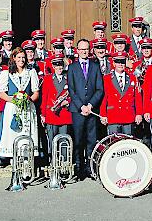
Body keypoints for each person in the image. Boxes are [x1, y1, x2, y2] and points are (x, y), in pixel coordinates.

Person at [67, 39, 104, 180]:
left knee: (91, 140)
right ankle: (78, 168)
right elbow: (71, 90)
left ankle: (90, 168)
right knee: (78, 141)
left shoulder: (95, 66)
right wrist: (81, 106)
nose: (84, 51)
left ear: (90, 50)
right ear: (77, 50)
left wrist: (90, 105)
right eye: (81, 49)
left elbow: (100, 89)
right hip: (78, 110)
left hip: (91, 110)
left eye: (86, 49)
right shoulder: (72, 67)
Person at [0, 48, 40, 159]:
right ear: (14, 58)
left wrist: (27, 100)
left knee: (26, 134)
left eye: (23, 57)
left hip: (28, 108)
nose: (21, 60)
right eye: (19, 57)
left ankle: (26, 167)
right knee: (13, 135)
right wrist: (15, 100)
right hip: (12, 108)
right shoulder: (7, 73)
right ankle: (15, 167)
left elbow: (36, 93)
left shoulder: (31, 72)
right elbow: (2, 94)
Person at [99, 51, 142, 135]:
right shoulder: (106, 79)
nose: (120, 64)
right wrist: (103, 114)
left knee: (128, 144)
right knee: (114, 144)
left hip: (128, 116)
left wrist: (139, 113)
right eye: (117, 62)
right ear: (114, 63)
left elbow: (137, 97)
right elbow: (103, 98)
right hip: (113, 116)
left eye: (122, 62)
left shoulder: (133, 78)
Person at [40, 53, 72, 156]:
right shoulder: (48, 79)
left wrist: (68, 101)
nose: (59, 67)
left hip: (64, 113)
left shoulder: (68, 78)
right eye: (56, 65)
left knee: (64, 140)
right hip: (51, 114)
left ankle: (64, 163)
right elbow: (44, 97)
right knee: (52, 141)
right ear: (53, 67)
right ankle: (52, 163)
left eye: (61, 65)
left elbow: (74, 94)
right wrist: (43, 114)